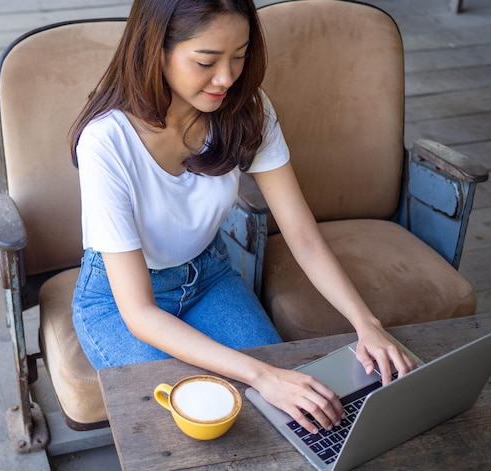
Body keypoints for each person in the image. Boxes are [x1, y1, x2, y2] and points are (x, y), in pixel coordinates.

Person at [69, 0, 417, 435]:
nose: (227, 78)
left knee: (289, 413)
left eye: (239, 56)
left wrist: (366, 325)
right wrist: (261, 375)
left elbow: (303, 236)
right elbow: (138, 311)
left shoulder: (247, 110)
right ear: (154, 50)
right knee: (199, 421)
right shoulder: (107, 141)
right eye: (206, 61)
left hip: (209, 276)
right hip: (120, 303)